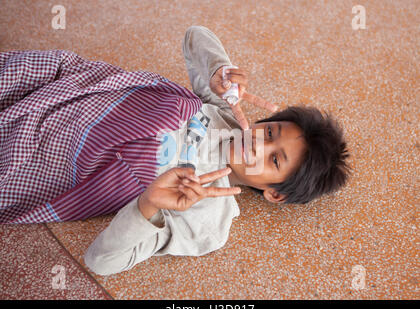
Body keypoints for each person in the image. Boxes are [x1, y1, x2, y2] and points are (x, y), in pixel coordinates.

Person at [83, 26, 350, 275]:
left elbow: (102, 261)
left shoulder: (209, 221)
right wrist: (219, 71)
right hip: (87, 95)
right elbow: (194, 36)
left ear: (275, 193)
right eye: (270, 132)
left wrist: (148, 204)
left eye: (275, 159)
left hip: (74, 155)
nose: (259, 143)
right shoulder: (225, 112)